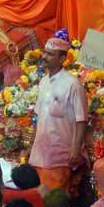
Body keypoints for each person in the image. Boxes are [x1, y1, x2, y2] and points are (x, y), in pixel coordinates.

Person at [28, 32, 87, 191]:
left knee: (55, 201)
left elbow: (81, 120)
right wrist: (32, 143)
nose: (45, 57)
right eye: (45, 52)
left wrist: (76, 149)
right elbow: (39, 115)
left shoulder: (73, 84)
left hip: (60, 155)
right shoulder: (43, 81)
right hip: (40, 152)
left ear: (62, 59)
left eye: (50, 54)